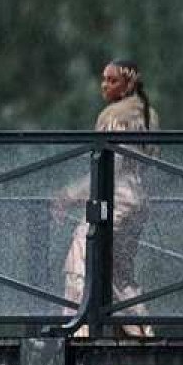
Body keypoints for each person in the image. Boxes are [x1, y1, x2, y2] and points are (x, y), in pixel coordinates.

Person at [60, 58, 159, 336]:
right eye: (104, 79)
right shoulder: (148, 115)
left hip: (115, 199)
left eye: (112, 80)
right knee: (119, 271)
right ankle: (143, 332)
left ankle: (76, 332)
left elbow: (110, 163)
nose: (104, 85)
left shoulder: (116, 116)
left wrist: (71, 194)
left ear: (128, 83)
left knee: (81, 259)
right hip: (138, 199)